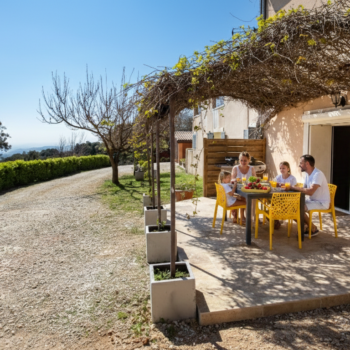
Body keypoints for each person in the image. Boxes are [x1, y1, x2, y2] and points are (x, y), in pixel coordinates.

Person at [291, 155, 330, 237]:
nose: (299, 165)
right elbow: (304, 188)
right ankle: (308, 225)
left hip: (321, 203)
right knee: (290, 206)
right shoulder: (308, 174)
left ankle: (312, 228)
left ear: (307, 163)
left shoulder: (317, 174)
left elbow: (310, 191)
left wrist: (293, 187)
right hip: (313, 201)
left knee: (298, 208)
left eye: (301, 163)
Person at [231, 151, 256, 224]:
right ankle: (243, 217)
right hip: (238, 189)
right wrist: (237, 180)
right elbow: (232, 179)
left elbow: (255, 179)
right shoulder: (235, 168)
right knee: (245, 197)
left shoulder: (252, 168)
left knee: (252, 197)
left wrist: (253, 182)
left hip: (249, 188)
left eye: (245, 160)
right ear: (239, 160)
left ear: (249, 160)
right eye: (241, 160)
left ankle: (252, 216)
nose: (243, 162)